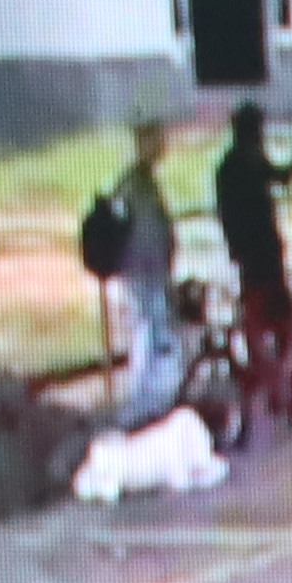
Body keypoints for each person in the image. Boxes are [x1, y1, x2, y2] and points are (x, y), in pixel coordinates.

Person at [90, 116, 186, 418]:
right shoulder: (135, 186)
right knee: (147, 333)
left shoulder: (142, 183)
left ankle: (155, 399)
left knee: (154, 333)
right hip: (142, 273)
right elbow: (144, 235)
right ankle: (143, 403)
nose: (161, 146)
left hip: (149, 272)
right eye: (155, 140)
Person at [210, 99, 292, 352]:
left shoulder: (227, 166)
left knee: (256, 307)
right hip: (264, 249)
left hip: (247, 251)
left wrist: (233, 244)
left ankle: (258, 356)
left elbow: (223, 211)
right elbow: (285, 177)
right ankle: (281, 356)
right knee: (274, 306)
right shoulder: (250, 161)